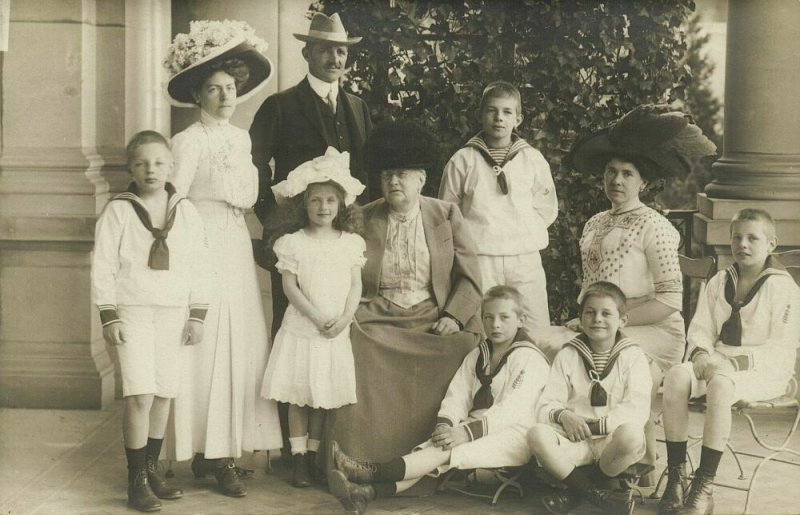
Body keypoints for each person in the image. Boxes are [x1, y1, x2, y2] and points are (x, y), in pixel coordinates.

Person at [539, 105, 718, 478]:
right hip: (604, 325)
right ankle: (572, 451)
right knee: (551, 349)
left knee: (620, 361)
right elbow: (591, 287)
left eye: (627, 174)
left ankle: (633, 462)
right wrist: (590, 321)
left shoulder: (656, 227)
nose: (617, 180)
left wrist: (613, 324)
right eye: (611, 172)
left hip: (653, 331)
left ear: (643, 182)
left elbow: (669, 302)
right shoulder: (594, 224)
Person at [162, 21, 282, 497]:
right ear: (198, 95)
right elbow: (174, 200)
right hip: (203, 242)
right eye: (213, 89)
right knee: (208, 344)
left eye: (231, 88)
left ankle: (226, 448)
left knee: (240, 341)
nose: (225, 96)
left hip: (235, 242)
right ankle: (208, 451)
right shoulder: (189, 141)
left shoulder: (241, 138)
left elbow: (250, 195)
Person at [249, 12, 372, 459]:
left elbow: (366, 176)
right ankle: (292, 451)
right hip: (297, 247)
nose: (335, 57)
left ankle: (323, 450)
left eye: (341, 50)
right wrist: (274, 221)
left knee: (333, 342)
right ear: (307, 53)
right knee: (294, 343)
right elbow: (253, 166)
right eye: (325, 49)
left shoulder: (357, 107)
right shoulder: (280, 106)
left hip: (339, 248)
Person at [332, 120, 483, 466]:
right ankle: (360, 460)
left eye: (401, 173)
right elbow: (340, 270)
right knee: (357, 347)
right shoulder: (363, 217)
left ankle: (436, 462)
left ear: (421, 178)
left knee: (460, 345)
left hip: (432, 312)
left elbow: (470, 276)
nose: (393, 181)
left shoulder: (446, 214)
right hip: (377, 312)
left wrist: (454, 316)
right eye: (386, 174)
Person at [328, 285, 550, 514]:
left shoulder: (528, 357)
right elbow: (459, 393)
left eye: (504, 318)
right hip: (476, 428)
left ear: (521, 320)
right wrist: (447, 424)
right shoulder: (478, 354)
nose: (495, 324)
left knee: (441, 452)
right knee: (432, 449)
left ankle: (367, 471)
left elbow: (512, 410)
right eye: (488, 317)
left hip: (514, 435)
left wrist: (466, 432)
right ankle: (363, 494)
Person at [91, 131, 208, 512]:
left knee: (163, 392)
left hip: (174, 312)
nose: (150, 170)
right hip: (134, 311)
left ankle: (153, 467)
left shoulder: (185, 211)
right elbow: (103, 267)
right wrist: (109, 315)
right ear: (130, 168)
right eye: (141, 163)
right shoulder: (119, 210)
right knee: (139, 393)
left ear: (171, 167)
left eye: (158, 162)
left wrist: (197, 314)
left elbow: (200, 267)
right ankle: (136, 478)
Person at [659, 209, 800, 515]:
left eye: (753, 238)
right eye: (737, 237)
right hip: (717, 362)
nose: (743, 244)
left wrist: (730, 366)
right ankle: (676, 475)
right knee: (675, 376)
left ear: (771, 244)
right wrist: (702, 357)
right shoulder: (721, 280)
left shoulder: (784, 287)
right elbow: (700, 330)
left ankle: (704, 486)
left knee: (721, 384)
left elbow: (781, 347)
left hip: (763, 370)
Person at [260, 148, 366, 488]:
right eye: (316, 200)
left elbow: (355, 286)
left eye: (331, 200)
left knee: (323, 397)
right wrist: (317, 316)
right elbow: (289, 287)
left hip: (335, 330)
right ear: (303, 205)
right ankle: (299, 460)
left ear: (341, 205)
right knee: (300, 397)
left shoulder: (350, 243)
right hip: (303, 329)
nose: (323, 207)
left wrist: (345, 318)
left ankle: (316, 454)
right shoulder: (292, 243)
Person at [439, 81, 558, 334]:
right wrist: (472, 242)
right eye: (491, 111)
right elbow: (448, 212)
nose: (499, 119)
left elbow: (546, 208)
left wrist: (521, 231)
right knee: (484, 326)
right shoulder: (463, 160)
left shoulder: (532, 159)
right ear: (481, 116)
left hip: (523, 256)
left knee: (534, 326)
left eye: (507, 112)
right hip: (481, 256)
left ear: (518, 119)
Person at [528, 281, 652, 515]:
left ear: (622, 321)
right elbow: (546, 405)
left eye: (606, 313)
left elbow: (636, 409)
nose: (597, 319)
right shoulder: (568, 354)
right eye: (590, 312)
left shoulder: (633, 356)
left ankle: (576, 491)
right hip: (576, 440)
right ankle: (597, 494)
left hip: (611, 442)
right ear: (581, 318)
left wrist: (597, 425)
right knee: (536, 434)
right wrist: (564, 416)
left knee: (632, 435)